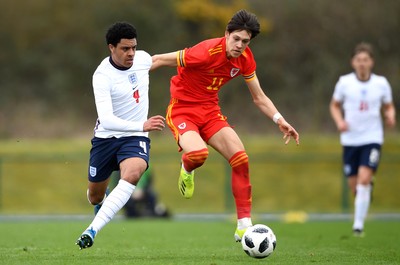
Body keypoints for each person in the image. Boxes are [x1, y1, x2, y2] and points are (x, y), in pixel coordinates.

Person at [151, 9, 300, 242]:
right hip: (182, 110)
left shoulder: (246, 59)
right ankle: (187, 168)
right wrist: (125, 81)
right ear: (226, 34)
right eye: (236, 39)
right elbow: (158, 59)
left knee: (241, 159)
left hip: (210, 112)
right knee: (199, 155)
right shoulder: (204, 52)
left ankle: (243, 226)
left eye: (246, 41)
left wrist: (280, 120)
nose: (240, 45)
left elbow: (259, 97)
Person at [76, 22, 165, 249]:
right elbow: (107, 120)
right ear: (111, 48)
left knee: (134, 172)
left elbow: (162, 59)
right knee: (95, 196)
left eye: (134, 47)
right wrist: (142, 124)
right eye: (125, 49)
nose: (131, 53)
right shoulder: (102, 76)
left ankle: (92, 229)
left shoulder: (141, 59)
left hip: (135, 137)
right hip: (106, 138)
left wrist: (206, 54)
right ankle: (101, 201)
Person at [330, 42, 396, 236]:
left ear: (372, 62)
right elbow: (334, 105)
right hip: (350, 140)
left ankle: (358, 226)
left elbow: (389, 106)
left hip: (372, 138)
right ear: (353, 62)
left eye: (365, 60)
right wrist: (340, 121)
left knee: (364, 179)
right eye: (358, 60)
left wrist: (391, 115)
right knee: (355, 187)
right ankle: (366, 192)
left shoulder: (381, 83)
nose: (362, 63)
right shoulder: (344, 82)